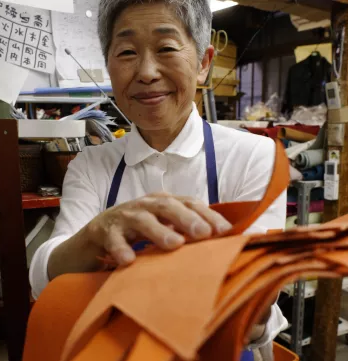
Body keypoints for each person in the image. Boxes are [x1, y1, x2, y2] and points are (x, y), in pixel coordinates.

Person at [29, 0, 288, 359]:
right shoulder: (91, 165)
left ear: (203, 63)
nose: (147, 71)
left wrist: (254, 312)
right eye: (127, 52)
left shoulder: (255, 156)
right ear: (109, 67)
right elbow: (45, 277)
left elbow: (259, 305)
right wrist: (96, 234)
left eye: (166, 48)